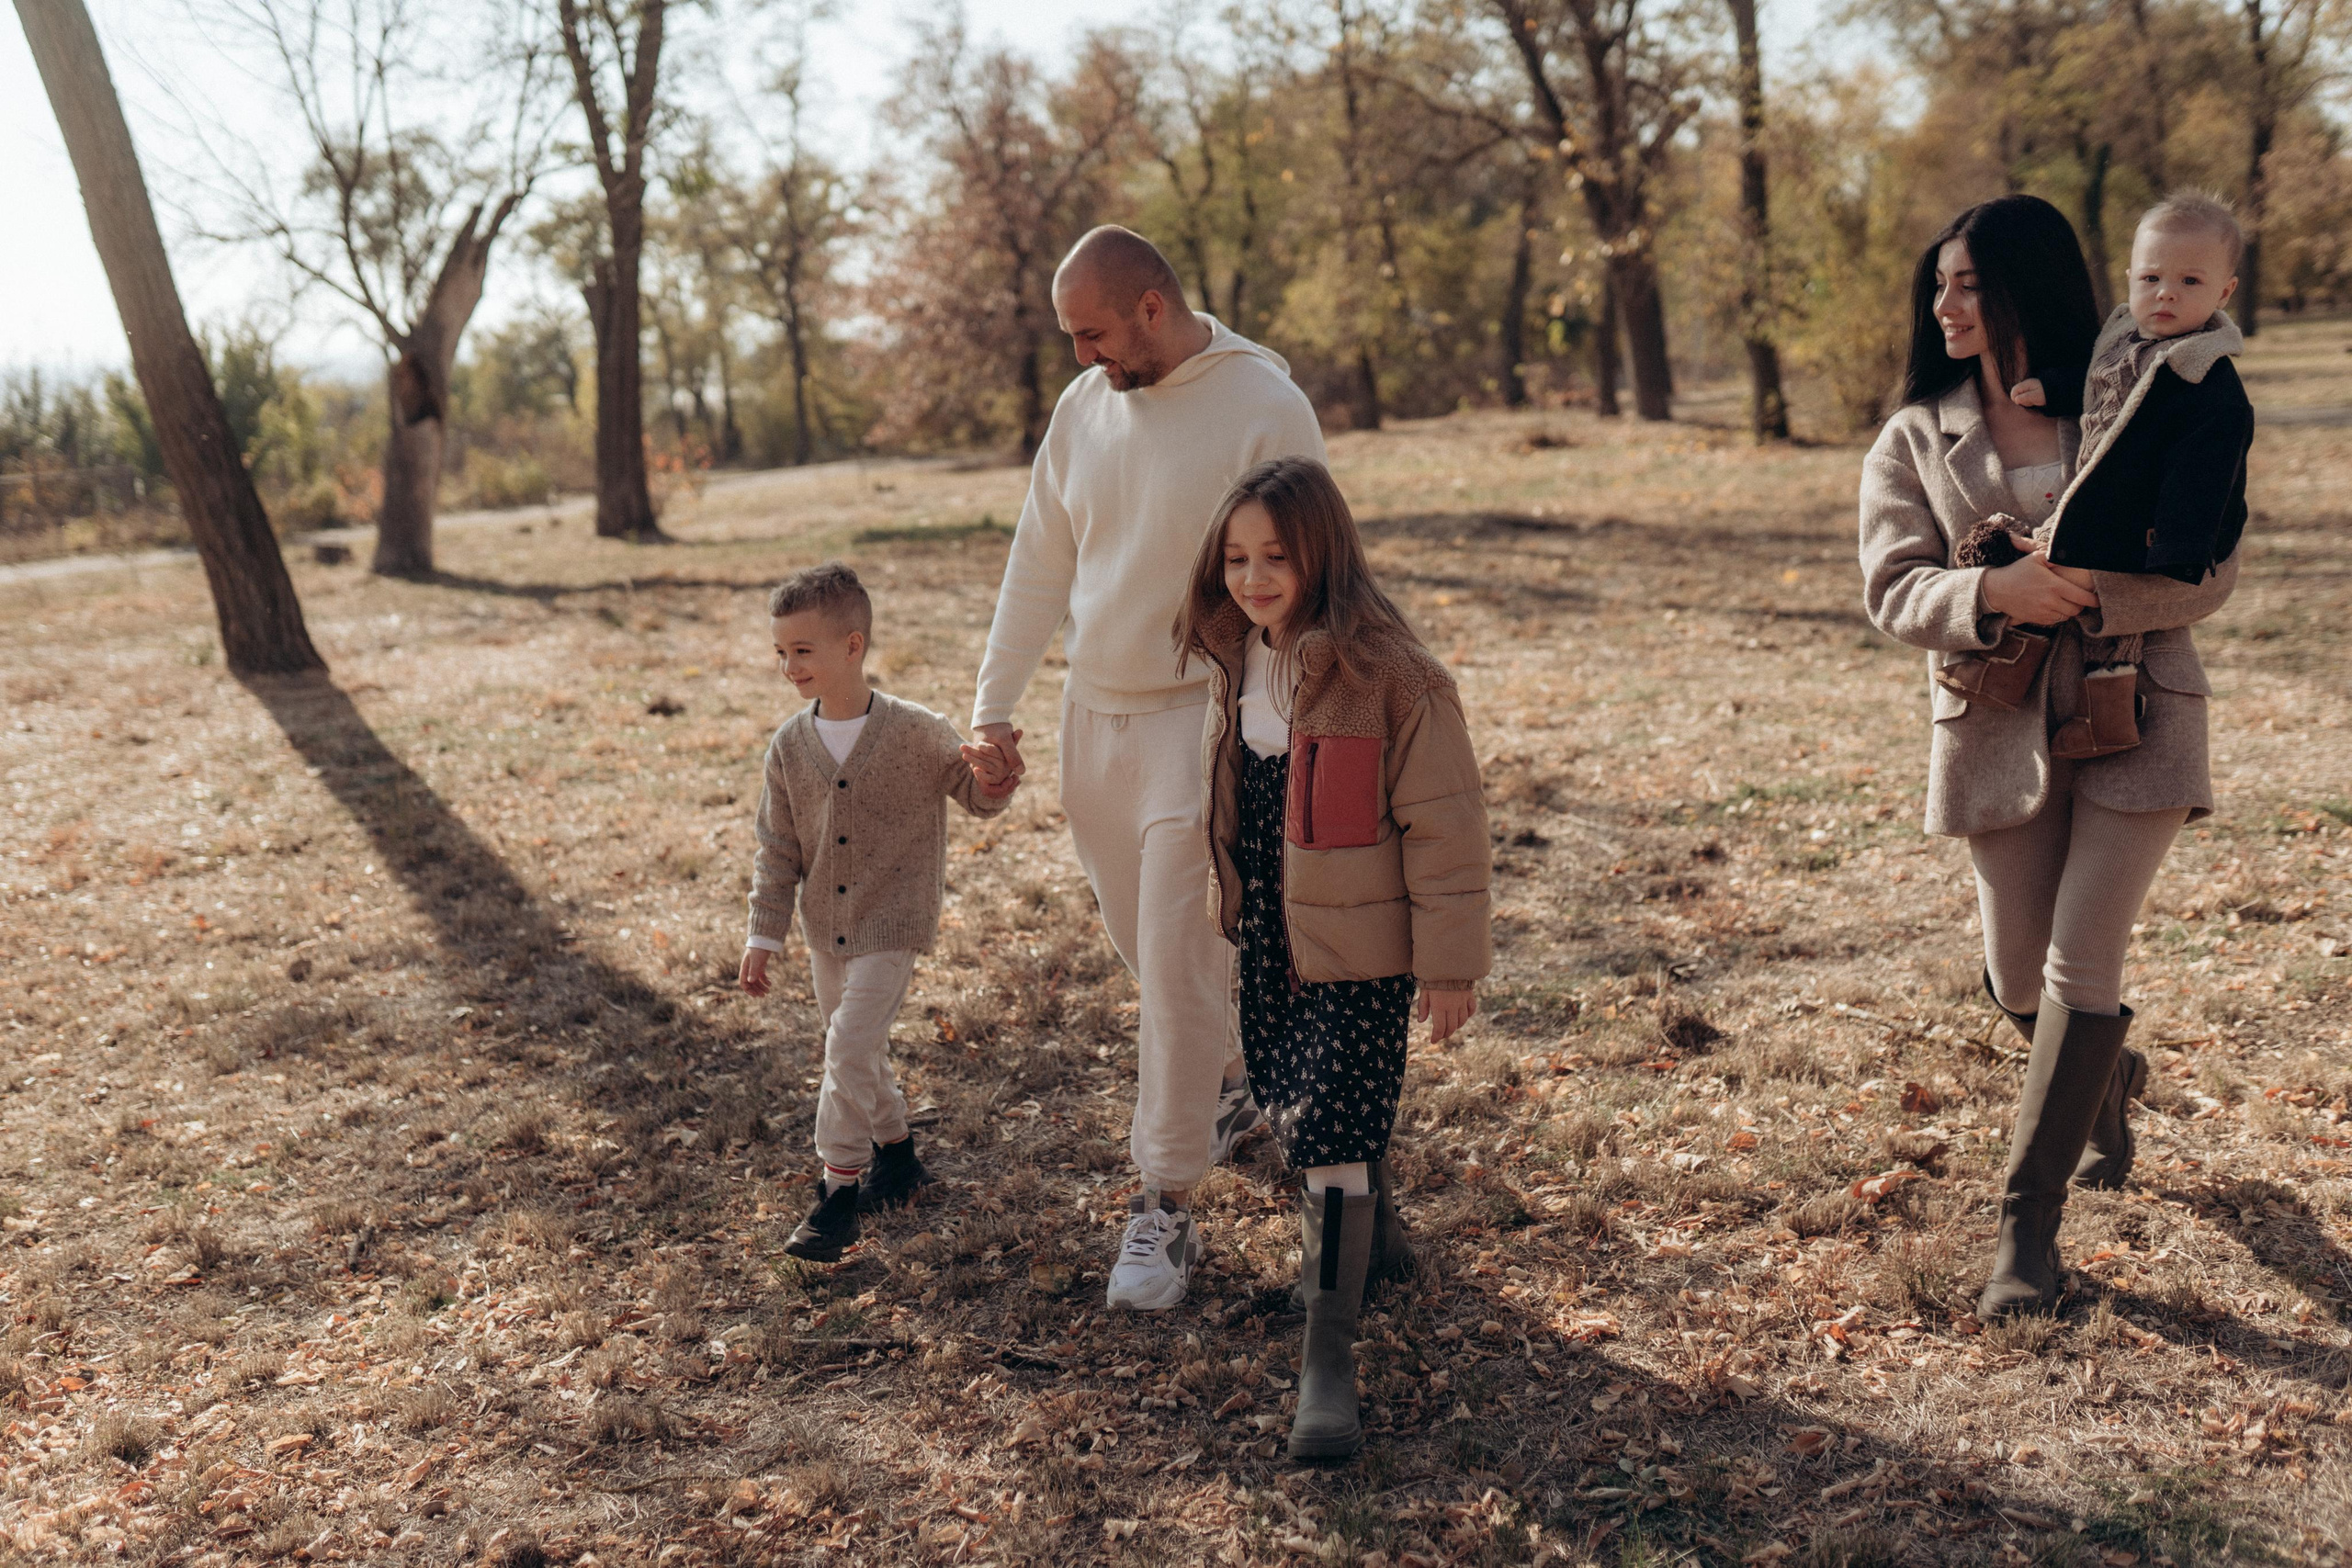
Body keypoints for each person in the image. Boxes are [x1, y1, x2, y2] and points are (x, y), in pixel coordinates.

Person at [1857, 195, 2243, 1322]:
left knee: (2083, 963)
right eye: (1938, 285)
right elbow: (1890, 588)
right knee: (2019, 975)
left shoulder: (2138, 389)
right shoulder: (1915, 434)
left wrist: (2081, 591)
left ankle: (2025, 1231)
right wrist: (1991, 591)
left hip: (2142, 713)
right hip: (1995, 728)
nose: (1946, 305)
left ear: (2029, 284)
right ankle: (2100, 1081)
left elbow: (2211, 565)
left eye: (1969, 283)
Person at [964, 226, 1327, 1312]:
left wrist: (1294, 721)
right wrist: (991, 710)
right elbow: (1040, 560)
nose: (1084, 357)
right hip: (1095, 719)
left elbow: (1313, 578)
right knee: (1144, 948)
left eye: (1095, 334)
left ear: (1154, 309)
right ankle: (1224, 1084)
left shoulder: (1262, 402)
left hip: (1200, 718)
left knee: (1174, 960)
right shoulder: (1085, 409)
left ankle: (1162, 1202)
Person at [1174, 457, 1491, 1461]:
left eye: (1276, 555)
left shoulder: (1389, 675)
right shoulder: (1237, 656)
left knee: (1334, 1132)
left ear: (1323, 551)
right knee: (1298, 1103)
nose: (1253, 576)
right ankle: (1376, 1247)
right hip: (1271, 930)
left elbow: (1446, 826)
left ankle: (1327, 1364)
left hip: (1360, 948)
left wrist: (1448, 964)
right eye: (1235, 557)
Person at [740, 563, 1019, 1263]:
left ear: (852, 645)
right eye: (781, 652)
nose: (788, 665)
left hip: (892, 921)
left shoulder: (918, 731)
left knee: (847, 1045)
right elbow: (777, 850)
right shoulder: (787, 747)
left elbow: (978, 795)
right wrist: (762, 934)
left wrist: (997, 772)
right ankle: (897, 1154)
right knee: (858, 1048)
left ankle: (837, 1193)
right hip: (823, 931)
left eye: (803, 650)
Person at [1991, 193, 2256, 759]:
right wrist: (2054, 390)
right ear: (2130, 276)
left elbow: (2208, 474)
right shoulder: (2125, 339)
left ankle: (2092, 712)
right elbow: (2100, 381)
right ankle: (2020, 680)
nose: (2166, 293)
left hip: (2154, 524)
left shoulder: (2206, 379)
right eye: (2152, 277)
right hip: (2101, 491)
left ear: (2224, 292)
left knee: (2087, 598)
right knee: (2055, 573)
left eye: (2189, 281)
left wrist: (2170, 549)